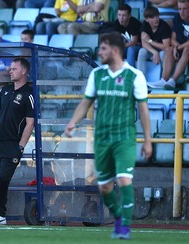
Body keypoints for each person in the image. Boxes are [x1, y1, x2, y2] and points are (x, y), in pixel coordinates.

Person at [64, 32, 152, 240]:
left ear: (114, 50)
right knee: (104, 186)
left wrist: (148, 139)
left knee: (123, 179)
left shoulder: (135, 76)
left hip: (124, 137)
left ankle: (125, 227)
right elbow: (86, 102)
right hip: (102, 138)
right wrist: (72, 123)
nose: (99, 52)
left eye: (103, 48)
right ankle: (119, 216)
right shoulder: (98, 75)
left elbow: (144, 109)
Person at [0, 58, 35, 225]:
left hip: (12, 144)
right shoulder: (5, 90)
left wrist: (21, 146)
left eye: (14, 69)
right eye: (10, 69)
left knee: (2, 180)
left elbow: (30, 123)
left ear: (24, 71)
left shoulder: (29, 94)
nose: (10, 71)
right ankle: (1, 216)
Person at [147, 0, 189, 89]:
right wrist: (176, 47)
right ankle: (163, 80)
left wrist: (178, 47)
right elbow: (173, 39)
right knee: (169, 49)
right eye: (180, 9)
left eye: (185, 9)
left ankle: (173, 80)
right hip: (181, 47)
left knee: (187, 48)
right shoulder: (177, 18)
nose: (182, 12)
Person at [136, 6, 172, 79]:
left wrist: (150, 41)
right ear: (146, 19)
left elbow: (166, 46)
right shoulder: (145, 25)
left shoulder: (164, 26)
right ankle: (141, 79)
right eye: (152, 17)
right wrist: (154, 52)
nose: (156, 19)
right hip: (152, 51)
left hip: (164, 51)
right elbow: (144, 44)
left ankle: (164, 79)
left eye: (157, 16)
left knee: (162, 54)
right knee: (142, 51)